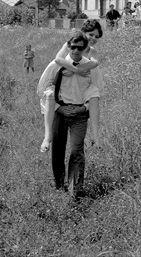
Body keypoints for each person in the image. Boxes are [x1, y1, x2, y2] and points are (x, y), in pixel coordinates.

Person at [38, 32, 100, 198]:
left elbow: (96, 90)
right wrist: (57, 106)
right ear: (68, 46)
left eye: (80, 47)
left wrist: (85, 107)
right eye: (73, 46)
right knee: (58, 150)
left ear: (85, 48)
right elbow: (43, 87)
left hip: (79, 114)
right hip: (60, 111)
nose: (76, 50)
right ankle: (59, 185)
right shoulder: (57, 64)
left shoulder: (90, 67)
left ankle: (75, 192)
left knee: (76, 151)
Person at [39, 20, 103, 154]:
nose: (93, 39)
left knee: (94, 96)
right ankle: (47, 136)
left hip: (81, 87)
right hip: (64, 85)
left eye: (97, 37)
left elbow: (94, 63)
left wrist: (77, 69)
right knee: (50, 96)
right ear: (83, 33)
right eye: (91, 34)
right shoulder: (70, 45)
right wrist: (74, 69)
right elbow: (58, 59)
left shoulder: (92, 51)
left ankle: (96, 137)